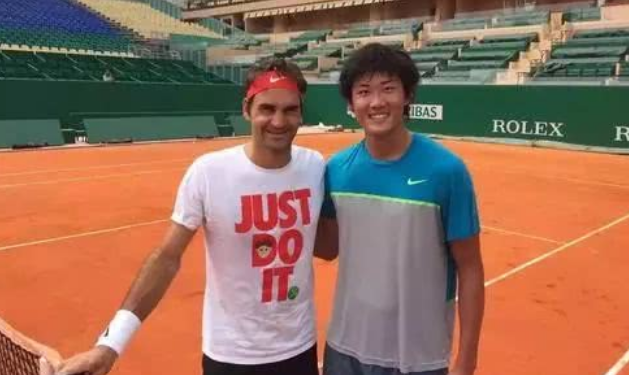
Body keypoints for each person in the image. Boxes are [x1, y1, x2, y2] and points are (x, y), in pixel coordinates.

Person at [55, 59, 325, 375]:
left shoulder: (316, 167)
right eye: (267, 108)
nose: (278, 121)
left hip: (299, 349)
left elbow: (331, 243)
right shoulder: (209, 172)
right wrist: (111, 344)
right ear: (246, 109)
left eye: (290, 110)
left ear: (301, 113)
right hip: (232, 356)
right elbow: (167, 257)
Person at [315, 43, 485, 375]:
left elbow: (470, 268)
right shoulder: (336, 170)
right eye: (364, 92)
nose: (376, 102)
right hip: (344, 349)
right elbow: (328, 247)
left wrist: (467, 359)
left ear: (408, 96)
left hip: (418, 356)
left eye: (388, 89)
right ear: (351, 104)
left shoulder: (447, 170)